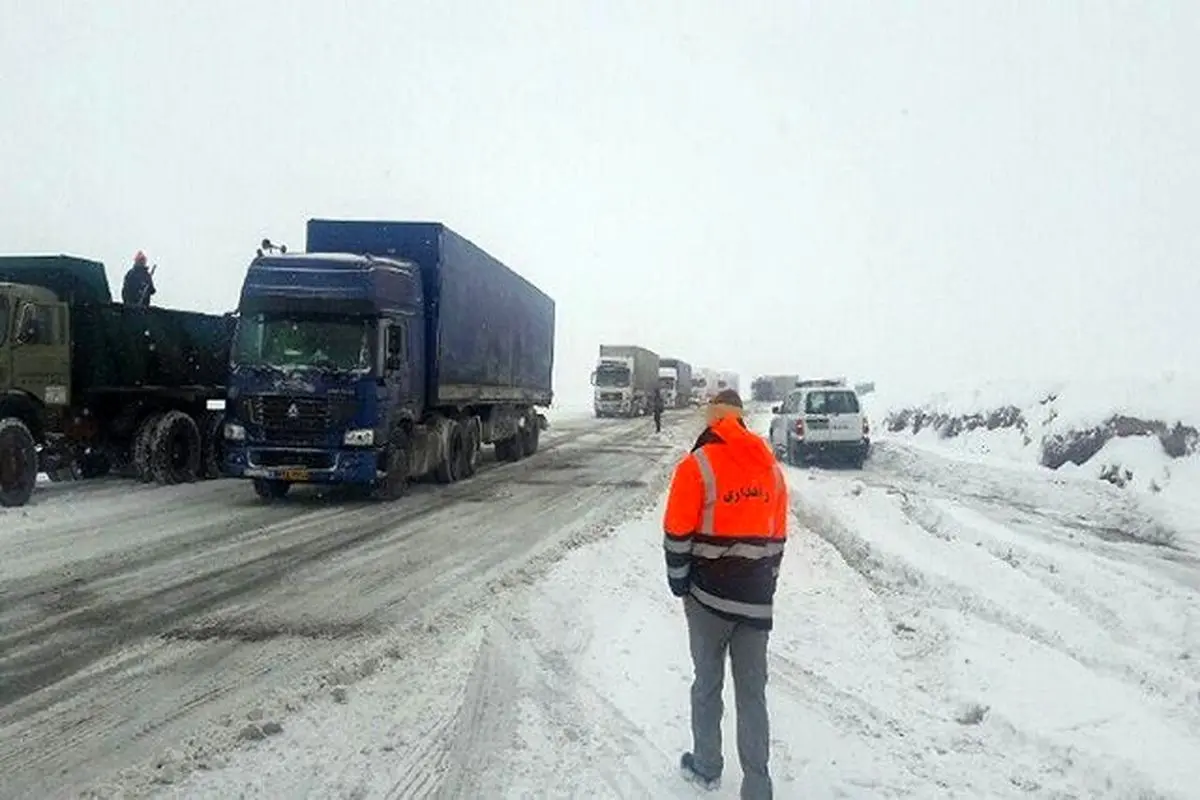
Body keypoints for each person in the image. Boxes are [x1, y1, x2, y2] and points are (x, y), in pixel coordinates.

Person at [662, 389, 788, 799]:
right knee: (752, 694)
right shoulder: (769, 466)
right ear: (741, 419)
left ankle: (707, 766)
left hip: (708, 601)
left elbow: (677, 534)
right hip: (755, 603)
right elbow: (777, 538)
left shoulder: (697, 464)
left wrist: (681, 585)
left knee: (707, 684)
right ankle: (758, 787)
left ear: (713, 418)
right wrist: (765, 582)